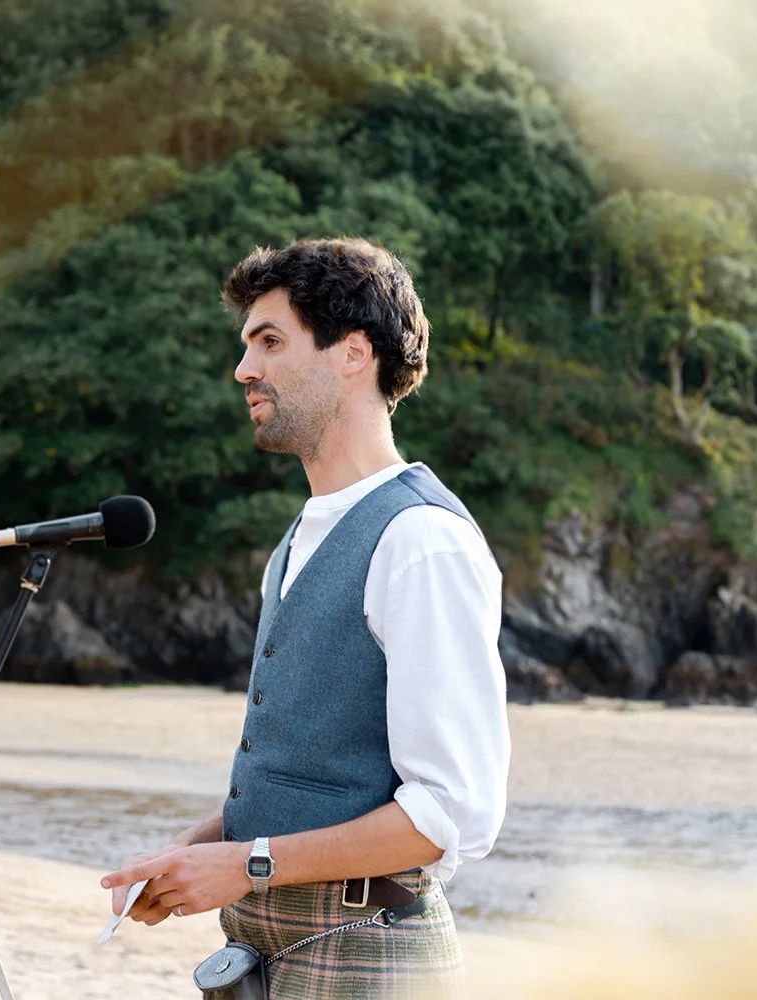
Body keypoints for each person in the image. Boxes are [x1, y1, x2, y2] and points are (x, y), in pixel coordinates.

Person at [101, 238, 510, 997]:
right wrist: (202, 847)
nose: (244, 369)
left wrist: (245, 863)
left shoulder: (423, 542)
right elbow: (320, 777)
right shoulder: (299, 538)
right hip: (267, 955)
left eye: (270, 341)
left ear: (353, 354)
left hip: (368, 957)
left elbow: (450, 815)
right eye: (247, 345)